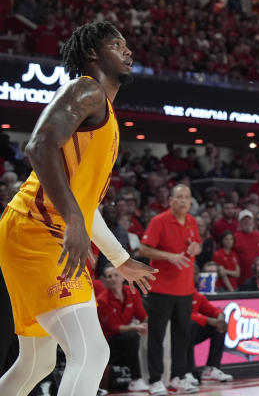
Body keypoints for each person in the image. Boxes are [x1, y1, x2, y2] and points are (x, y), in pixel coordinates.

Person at [0, 22, 155, 396]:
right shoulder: (87, 89)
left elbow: (85, 209)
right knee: (90, 351)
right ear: (93, 55)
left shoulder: (106, 116)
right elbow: (38, 146)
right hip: (37, 230)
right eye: (118, 45)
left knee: (39, 362)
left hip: (40, 230)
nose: (128, 51)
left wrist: (119, 259)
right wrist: (71, 219)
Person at [139, 183, 202, 394]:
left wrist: (196, 247)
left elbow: (198, 245)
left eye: (187, 197)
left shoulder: (192, 221)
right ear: (171, 201)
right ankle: (156, 380)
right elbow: (143, 249)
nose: (184, 200)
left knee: (182, 335)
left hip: (185, 289)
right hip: (161, 289)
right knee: (157, 336)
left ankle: (178, 376)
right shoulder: (159, 221)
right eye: (180, 197)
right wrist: (169, 256)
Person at [97, 265, 150, 393]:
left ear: (123, 277)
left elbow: (142, 316)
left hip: (127, 334)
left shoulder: (132, 292)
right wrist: (136, 327)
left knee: (152, 333)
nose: (113, 279)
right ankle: (136, 380)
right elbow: (113, 328)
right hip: (108, 341)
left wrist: (149, 324)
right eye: (109, 276)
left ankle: (156, 377)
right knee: (132, 336)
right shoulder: (102, 300)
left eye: (116, 275)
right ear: (105, 280)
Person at [188, 290, 232, 383]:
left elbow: (213, 310)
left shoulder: (195, 294)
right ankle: (187, 371)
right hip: (174, 333)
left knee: (220, 326)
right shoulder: (178, 293)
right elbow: (183, 315)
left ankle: (212, 369)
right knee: (191, 325)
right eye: (194, 274)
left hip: (190, 332)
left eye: (196, 274)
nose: (195, 276)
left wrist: (220, 317)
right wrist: (208, 320)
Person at [233, 210, 259, 284]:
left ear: (253, 221)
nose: (247, 222)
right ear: (240, 223)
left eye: (249, 219)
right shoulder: (235, 237)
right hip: (242, 279)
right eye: (244, 220)